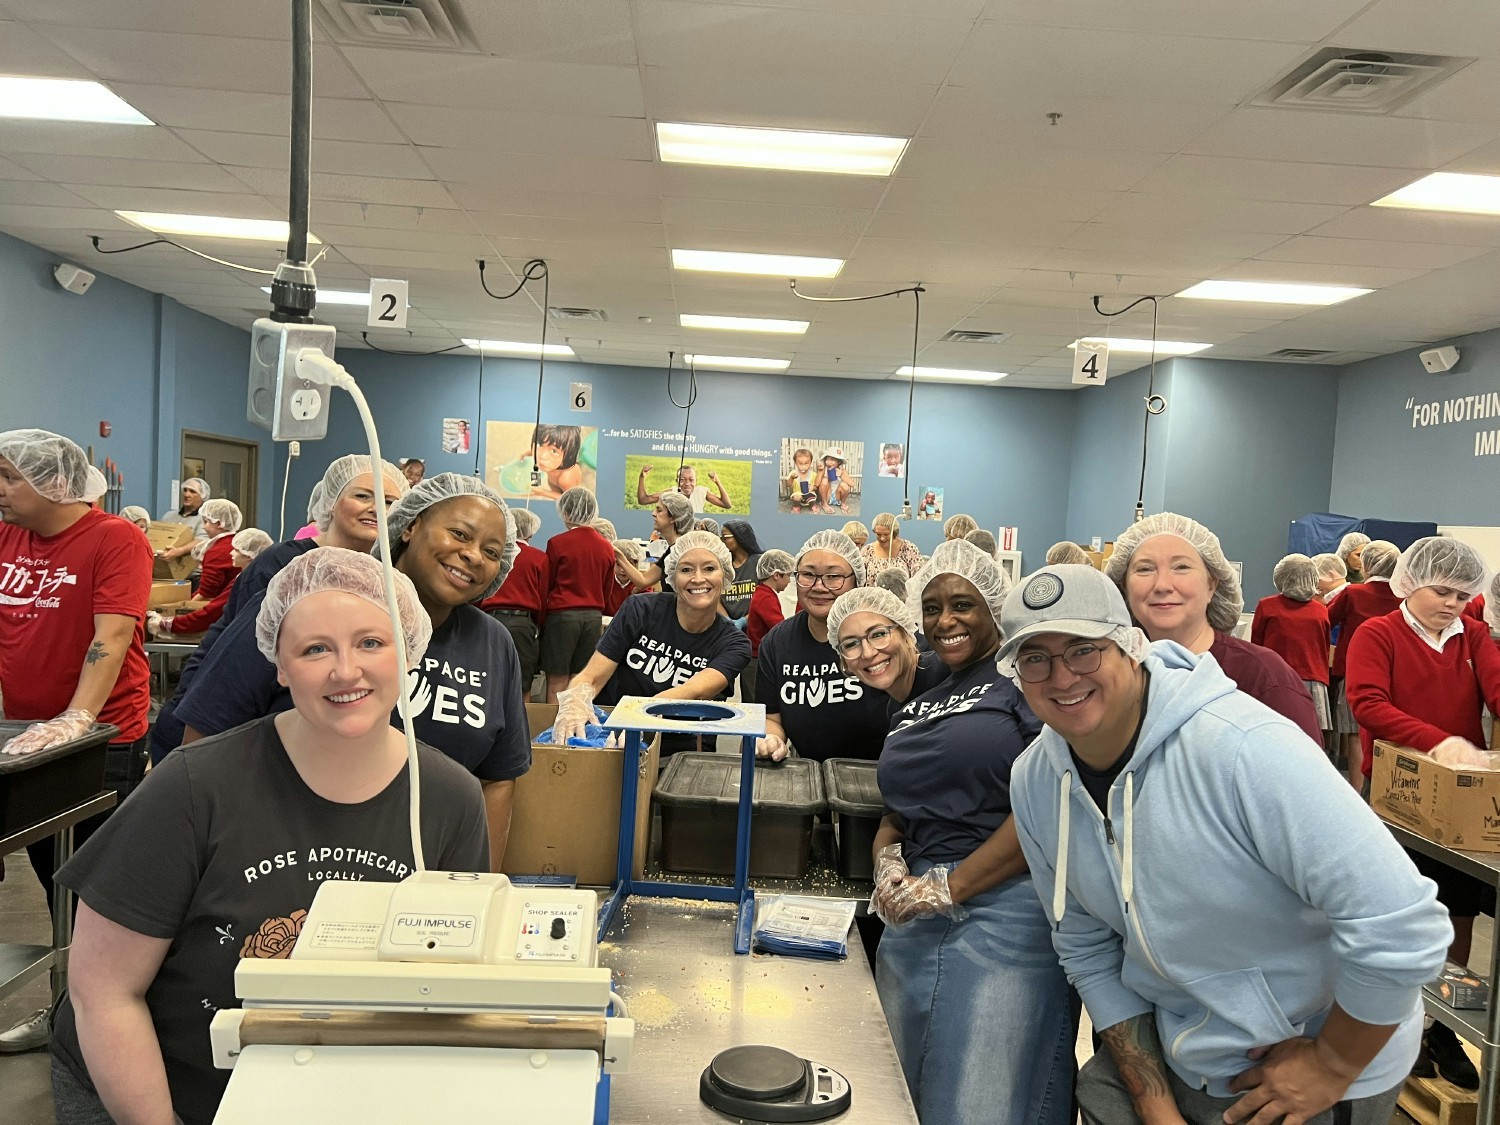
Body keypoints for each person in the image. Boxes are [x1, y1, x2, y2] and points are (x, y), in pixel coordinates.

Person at [48, 548, 489, 1124]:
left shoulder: (449, 798)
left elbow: (442, 985)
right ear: (278, 665)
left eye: (372, 643)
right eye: (314, 649)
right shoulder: (193, 786)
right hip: (152, 1085)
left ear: (408, 652)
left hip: (318, 1081)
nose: (345, 669)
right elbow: (103, 993)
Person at [1000, 564, 1452, 1125]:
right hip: (1176, 1051)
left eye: (1084, 649)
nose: (1062, 676)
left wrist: (1333, 1064)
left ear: (1130, 647)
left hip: (1297, 1068)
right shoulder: (1037, 779)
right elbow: (1087, 948)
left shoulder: (1244, 750)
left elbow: (1402, 926)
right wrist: (1155, 1105)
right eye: (1034, 658)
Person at [173, 474, 528, 870]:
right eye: (460, 534)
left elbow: (498, 777)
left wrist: (478, 893)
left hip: (423, 884)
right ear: (410, 525)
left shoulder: (492, 644)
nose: (474, 556)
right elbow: (206, 735)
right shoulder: (310, 600)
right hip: (278, 864)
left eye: (492, 551)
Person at [868, 541, 1072, 1125]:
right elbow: (898, 812)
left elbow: (1050, 800)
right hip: (916, 912)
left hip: (1009, 901)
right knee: (896, 1087)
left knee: (983, 1099)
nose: (945, 621)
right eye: (931, 608)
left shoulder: (1023, 678)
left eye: (963, 604)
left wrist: (952, 886)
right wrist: (889, 864)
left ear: (995, 608)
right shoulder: (918, 702)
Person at [0, 430, 153, 1053]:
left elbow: (111, 635)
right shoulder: (8, 535)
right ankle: (66, 1012)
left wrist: (76, 721)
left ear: (52, 482)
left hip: (98, 741)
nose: (0, 490)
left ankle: (99, 1021)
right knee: (50, 880)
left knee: (97, 892)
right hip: (24, 740)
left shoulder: (115, 539)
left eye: (9, 478)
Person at [1346, 537, 1500, 1090]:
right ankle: (1387, 1023)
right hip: (1395, 794)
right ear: (1412, 584)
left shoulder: (1474, 636)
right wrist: (1439, 742)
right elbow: (1368, 703)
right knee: (1393, 911)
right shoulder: (1378, 633)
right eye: (1442, 591)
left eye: (1463, 596)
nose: (1453, 604)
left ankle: (1439, 1022)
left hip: (1455, 799)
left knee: (1457, 909)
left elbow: (1498, 690)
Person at [148, 455, 409, 763]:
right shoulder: (284, 565)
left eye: (390, 501)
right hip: (221, 723)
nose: (377, 507)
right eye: (363, 495)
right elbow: (234, 663)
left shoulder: (382, 579)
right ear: (331, 502)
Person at [1103, 511, 1322, 743]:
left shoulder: (1262, 677)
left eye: (1181, 567)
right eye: (1145, 569)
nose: (1162, 585)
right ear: (1123, 588)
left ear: (1211, 585)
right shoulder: (1110, 673)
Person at [552, 530, 751, 755]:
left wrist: (636, 718)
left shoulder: (734, 644)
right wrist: (575, 701)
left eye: (709, 568)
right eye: (686, 569)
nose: (697, 578)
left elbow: (694, 691)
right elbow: (593, 675)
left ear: (725, 576)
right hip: (609, 739)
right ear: (672, 577)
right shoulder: (640, 610)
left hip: (674, 752)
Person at [754, 531, 893, 763]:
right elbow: (772, 718)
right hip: (810, 779)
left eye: (833, 576)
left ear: (857, 580)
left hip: (878, 775)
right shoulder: (778, 642)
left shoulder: (883, 637)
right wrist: (771, 739)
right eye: (808, 574)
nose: (819, 586)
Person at [1328, 540, 1401, 786]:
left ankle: (1359, 792)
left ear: (1367, 566)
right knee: (1390, 732)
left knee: (1355, 733)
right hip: (1395, 672)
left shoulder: (1353, 593)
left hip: (1355, 672)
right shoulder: (1404, 597)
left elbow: (1325, 618)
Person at [827, 585, 949, 719]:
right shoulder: (895, 710)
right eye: (850, 644)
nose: (868, 653)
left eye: (878, 634)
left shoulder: (949, 673)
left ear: (906, 633)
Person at [541, 487, 615, 702]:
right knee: (580, 678)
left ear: (565, 512)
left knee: (556, 680)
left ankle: (552, 733)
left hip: (562, 617)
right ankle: (573, 729)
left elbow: (548, 583)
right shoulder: (606, 547)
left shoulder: (557, 543)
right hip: (592, 618)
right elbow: (607, 589)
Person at [1251, 553, 1332, 737]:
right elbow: (1323, 647)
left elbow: (1256, 646)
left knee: (1275, 734)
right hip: (1314, 680)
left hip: (1276, 679)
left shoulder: (1267, 606)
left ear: (1281, 576)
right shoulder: (1321, 610)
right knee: (1311, 737)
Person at [149, 529, 273, 639]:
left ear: (249, 556)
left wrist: (167, 624)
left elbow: (213, 611)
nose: (231, 553)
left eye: (236, 550)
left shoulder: (245, 582)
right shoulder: (252, 577)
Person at [480, 506, 548, 691]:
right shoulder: (539, 558)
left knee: (487, 678)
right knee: (522, 684)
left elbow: (479, 589)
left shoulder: (494, 554)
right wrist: (538, 628)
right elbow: (543, 598)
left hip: (490, 620)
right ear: (531, 533)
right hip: (523, 625)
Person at [613, 492, 694, 592]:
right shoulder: (672, 551)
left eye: (659, 510)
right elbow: (643, 581)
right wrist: (618, 555)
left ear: (673, 517)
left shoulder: (684, 552)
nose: (653, 513)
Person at [179, 498, 243, 602]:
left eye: (206, 522)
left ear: (219, 523)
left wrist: (181, 610)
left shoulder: (217, 551)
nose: (203, 527)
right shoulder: (236, 543)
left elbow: (206, 593)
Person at [636, 462, 731, 512]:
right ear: (677, 481)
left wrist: (717, 482)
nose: (687, 483)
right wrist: (641, 477)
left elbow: (726, 504)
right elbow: (643, 500)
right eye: (682, 480)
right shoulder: (672, 492)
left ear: (696, 481)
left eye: (691, 480)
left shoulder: (701, 492)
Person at [719, 519, 764, 625]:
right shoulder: (722, 565)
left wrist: (744, 621)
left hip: (754, 626)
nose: (722, 542)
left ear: (739, 537)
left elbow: (764, 598)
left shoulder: (759, 562)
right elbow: (715, 599)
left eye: (725, 537)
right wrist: (727, 620)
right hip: (727, 628)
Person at [860, 511, 922, 583]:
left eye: (886, 534)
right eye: (878, 534)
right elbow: (860, 580)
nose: (882, 538)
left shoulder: (909, 549)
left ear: (894, 533)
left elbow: (918, 579)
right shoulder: (867, 551)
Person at [529, 424, 584, 498]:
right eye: (540, 445)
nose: (542, 456)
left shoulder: (565, 479)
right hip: (554, 480)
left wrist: (542, 492)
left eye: (554, 451)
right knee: (553, 488)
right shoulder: (551, 463)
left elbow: (570, 498)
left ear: (567, 455)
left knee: (561, 499)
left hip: (564, 486)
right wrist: (525, 454)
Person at [158, 477, 209, 541]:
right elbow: (158, 535)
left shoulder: (205, 519)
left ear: (203, 496)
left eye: (192, 491)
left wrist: (178, 551)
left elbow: (201, 540)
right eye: (185, 490)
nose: (187, 494)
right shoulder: (168, 516)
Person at [605, 539, 648, 616]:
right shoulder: (605, 583)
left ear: (636, 564)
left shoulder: (642, 585)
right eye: (618, 564)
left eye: (628, 564)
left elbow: (646, 610)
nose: (622, 570)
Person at [817, 447, 854, 513]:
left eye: (832, 460)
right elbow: (817, 484)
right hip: (826, 495)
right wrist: (820, 471)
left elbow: (852, 484)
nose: (829, 462)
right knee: (825, 480)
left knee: (844, 484)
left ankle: (843, 503)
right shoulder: (824, 469)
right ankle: (824, 504)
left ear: (839, 462)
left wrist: (841, 475)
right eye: (827, 459)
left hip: (838, 497)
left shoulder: (842, 470)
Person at [786, 447, 820, 512]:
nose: (803, 466)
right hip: (798, 494)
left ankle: (812, 505)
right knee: (797, 497)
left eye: (806, 463)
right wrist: (791, 478)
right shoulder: (793, 473)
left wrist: (813, 487)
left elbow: (816, 486)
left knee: (813, 497)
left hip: (809, 495)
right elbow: (788, 485)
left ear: (810, 462)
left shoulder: (813, 474)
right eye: (800, 464)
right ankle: (796, 506)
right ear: (795, 463)